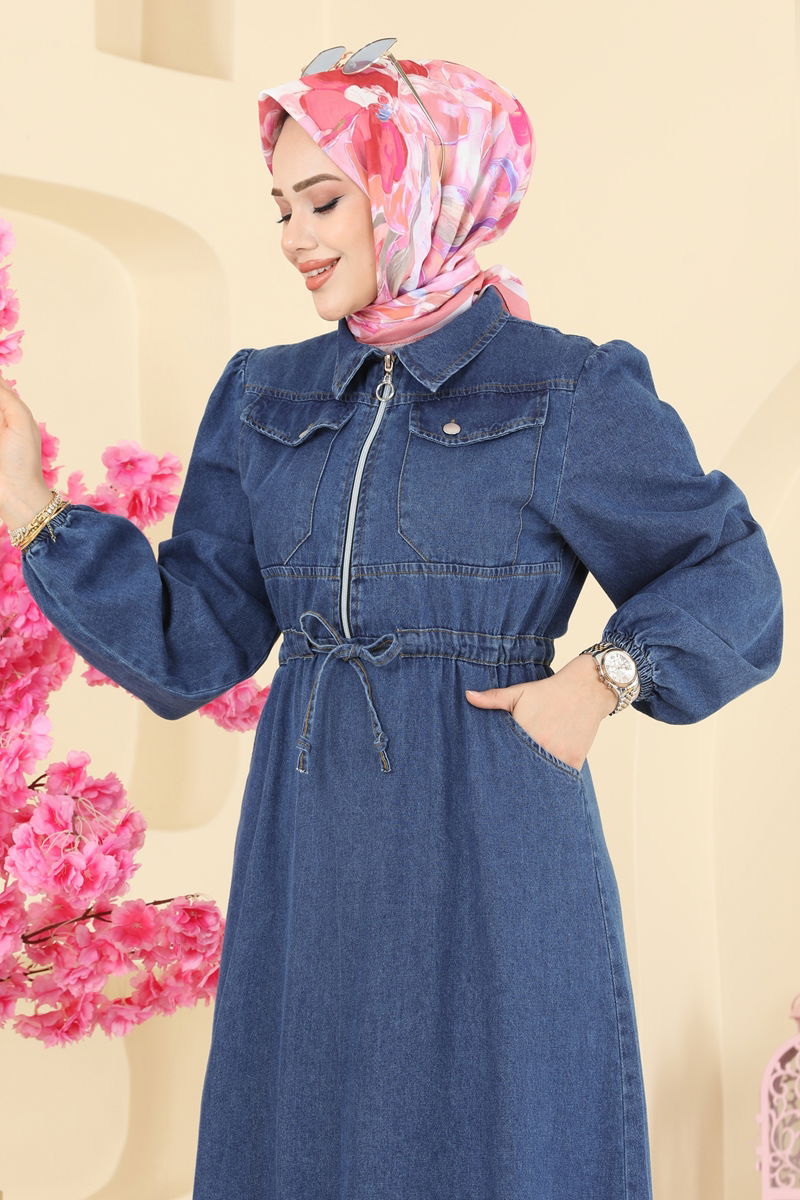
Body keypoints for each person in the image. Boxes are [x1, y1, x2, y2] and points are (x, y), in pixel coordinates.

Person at [0, 42, 783, 1200]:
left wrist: (604, 679)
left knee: (501, 1131)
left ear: (422, 190)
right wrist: (32, 505)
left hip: (492, 817)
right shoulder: (265, 394)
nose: (294, 237)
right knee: (304, 1130)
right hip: (310, 833)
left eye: (324, 201)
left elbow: (729, 573)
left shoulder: (561, 389)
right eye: (281, 207)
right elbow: (194, 641)